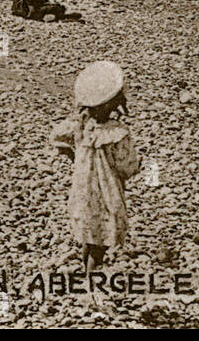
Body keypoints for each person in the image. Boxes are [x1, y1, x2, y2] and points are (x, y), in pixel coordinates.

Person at [49, 61, 141, 272]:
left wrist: (75, 157)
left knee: (88, 237)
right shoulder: (117, 133)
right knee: (100, 242)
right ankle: (92, 284)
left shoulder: (80, 126)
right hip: (105, 194)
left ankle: (85, 273)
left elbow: (56, 137)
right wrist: (135, 168)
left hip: (82, 191)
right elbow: (126, 165)